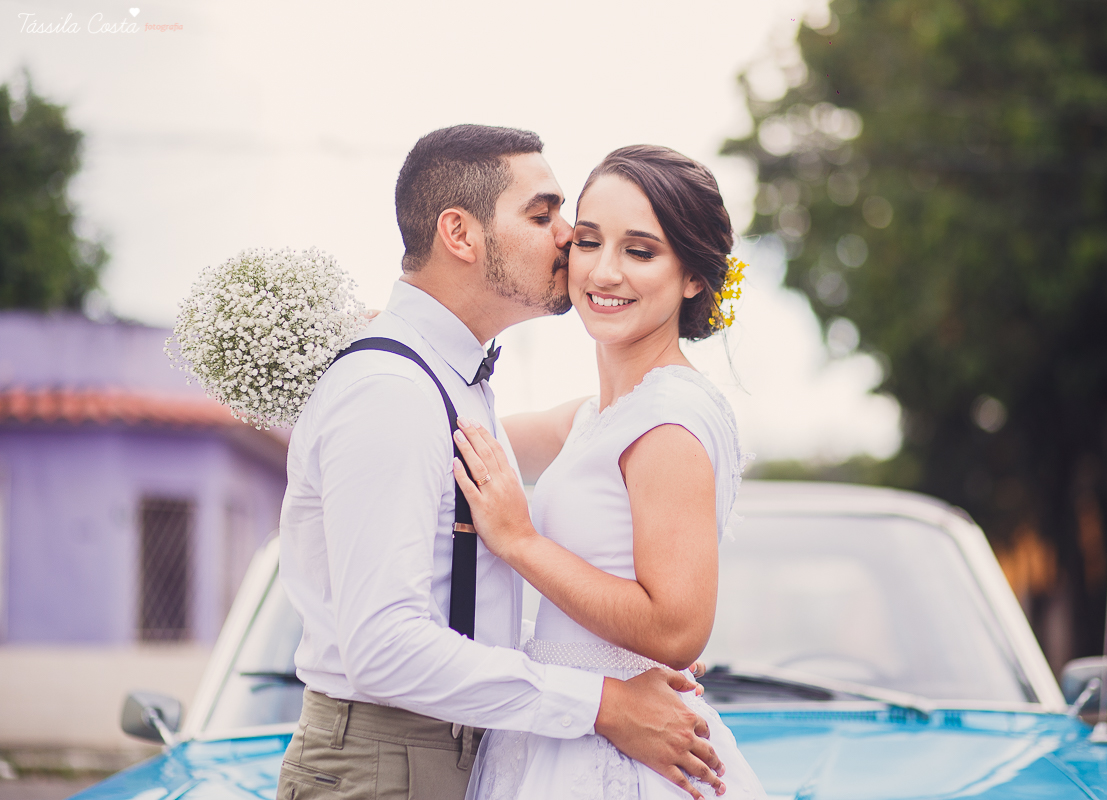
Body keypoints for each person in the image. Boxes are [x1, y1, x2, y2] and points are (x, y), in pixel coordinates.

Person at [276, 127, 726, 800]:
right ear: (460, 235)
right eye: (543, 215)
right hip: (388, 763)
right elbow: (383, 647)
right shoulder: (391, 390)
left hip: (465, 750)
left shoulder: (452, 382)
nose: (568, 238)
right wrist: (599, 701)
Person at [451, 145, 766, 799]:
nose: (605, 271)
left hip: (617, 758)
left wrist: (520, 542)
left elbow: (677, 629)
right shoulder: (599, 415)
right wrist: (398, 337)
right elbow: (461, 433)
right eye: (589, 242)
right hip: (569, 724)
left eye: (641, 251)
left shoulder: (669, 420)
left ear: (692, 277)